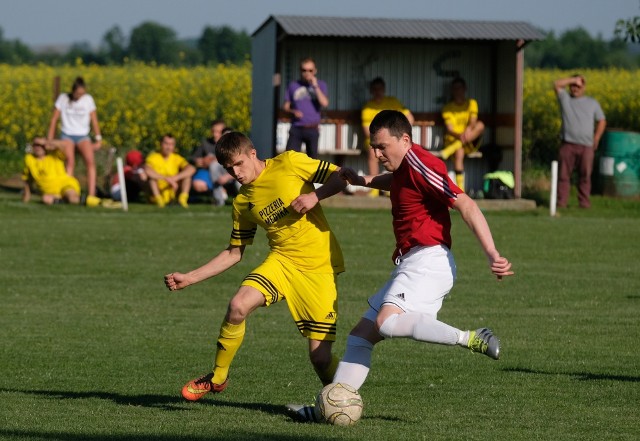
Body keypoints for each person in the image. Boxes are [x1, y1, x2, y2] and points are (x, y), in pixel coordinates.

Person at [287, 110, 513, 422]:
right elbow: (399, 181)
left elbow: (465, 203)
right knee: (361, 336)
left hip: (428, 260)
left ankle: (471, 337)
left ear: (405, 139)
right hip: (413, 262)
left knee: (386, 322)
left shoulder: (423, 163)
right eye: (373, 147)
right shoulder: (407, 166)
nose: (377, 154)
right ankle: (331, 406)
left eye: (382, 147)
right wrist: (365, 181)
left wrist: (491, 252)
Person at [164, 131, 347, 402]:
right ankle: (217, 377)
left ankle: (344, 399)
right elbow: (234, 253)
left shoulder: (290, 163)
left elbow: (342, 175)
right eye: (228, 169)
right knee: (238, 305)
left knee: (320, 358)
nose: (235, 173)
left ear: (252, 154)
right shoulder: (242, 201)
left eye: (239, 164)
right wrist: (190, 278)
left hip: (318, 268)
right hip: (282, 262)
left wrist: (315, 197)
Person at [47, 76, 103, 207]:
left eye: (82, 94)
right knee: (70, 161)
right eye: (78, 93)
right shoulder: (63, 98)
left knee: (90, 161)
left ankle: (91, 194)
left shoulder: (88, 100)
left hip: (83, 135)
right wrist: (50, 139)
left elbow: (94, 119)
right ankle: (68, 191)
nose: (79, 96)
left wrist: (98, 138)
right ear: (73, 91)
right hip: (67, 134)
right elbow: (54, 119)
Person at [553, 74, 606, 209]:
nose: (575, 88)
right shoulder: (565, 99)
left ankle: (584, 203)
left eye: (578, 86)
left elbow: (602, 120)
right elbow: (556, 84)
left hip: (586, 146)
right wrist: (573, 79)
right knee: (564, 176)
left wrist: (597, 138)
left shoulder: (592, 103)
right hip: (568, 144)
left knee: (585, 176)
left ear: (584, 87)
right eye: (573, 86)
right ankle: (561, 202)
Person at [361, 77, 414, 197]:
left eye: (380, 89)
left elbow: (410, 118)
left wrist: (399, 134)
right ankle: (374, 188)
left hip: (392, 140)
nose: (377, 91)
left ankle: (397, 185)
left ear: (384, 89)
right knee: (373, 151)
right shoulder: (368, 107)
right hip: (373, 141)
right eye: (375, 89)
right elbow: (367, 132)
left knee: (398, 149)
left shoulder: (393, 102)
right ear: (371, 91)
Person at [440, 77, 485, 192]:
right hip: (453, 141)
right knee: (459, 151)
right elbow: (450, 129)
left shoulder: (472, 103)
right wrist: (459, 136)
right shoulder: (447, 108)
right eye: (455, 88)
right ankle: (461, 190)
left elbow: (474, 121)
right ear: (452, 90)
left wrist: (467, 131)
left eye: (459, 88)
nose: (457, 91)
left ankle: (453, 148)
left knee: (481, 125)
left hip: (468, 139)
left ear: (465, 89)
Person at [283, 57, 329, 159]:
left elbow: (324, 103)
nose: (307, 73)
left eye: (310, 70)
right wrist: (293, 111)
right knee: (290, 158)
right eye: (304, 70)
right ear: (300, 71)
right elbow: (285, 107)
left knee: (312, 161)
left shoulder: (321, 85)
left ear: (315, 71)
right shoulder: (293, 86)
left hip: (312, 128)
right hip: (296, 128)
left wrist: (315, 86)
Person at [189, 119, 238, 206]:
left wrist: (214, 159)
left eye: (218, 132)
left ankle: (227, 192)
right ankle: (218, 196)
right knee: (198, 183)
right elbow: (193, 158)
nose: (215, 134)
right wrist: (200, 161)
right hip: (211, 173)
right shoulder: (206, 143)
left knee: (214, 165)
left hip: (229, 172)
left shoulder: (232, 144)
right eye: (213, 131)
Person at [22, 137, 81, 205]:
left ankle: (91, 201)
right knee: (46, 199)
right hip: (50, 192)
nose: (38, 148)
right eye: (36, 145)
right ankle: (63, 200)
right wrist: (27, 195)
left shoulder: (54, 155)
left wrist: (50, 143)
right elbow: (27, 179)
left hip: (65, 184)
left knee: (72, 199)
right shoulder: (29, 159)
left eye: (41, 146)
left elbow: (63, 146)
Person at [144, 134, 196, 208]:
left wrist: (175, 178)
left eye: (171, 144)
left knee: (187, 177)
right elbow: (147, 170)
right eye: (166, 144)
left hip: (174, 188)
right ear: (161, 144)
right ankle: (159, 201)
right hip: (159, 188)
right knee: (151, 179)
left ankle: (182, 200)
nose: (168, 147)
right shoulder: (153, 157)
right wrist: (166, 179)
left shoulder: (177, 158)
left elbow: (191, 169)